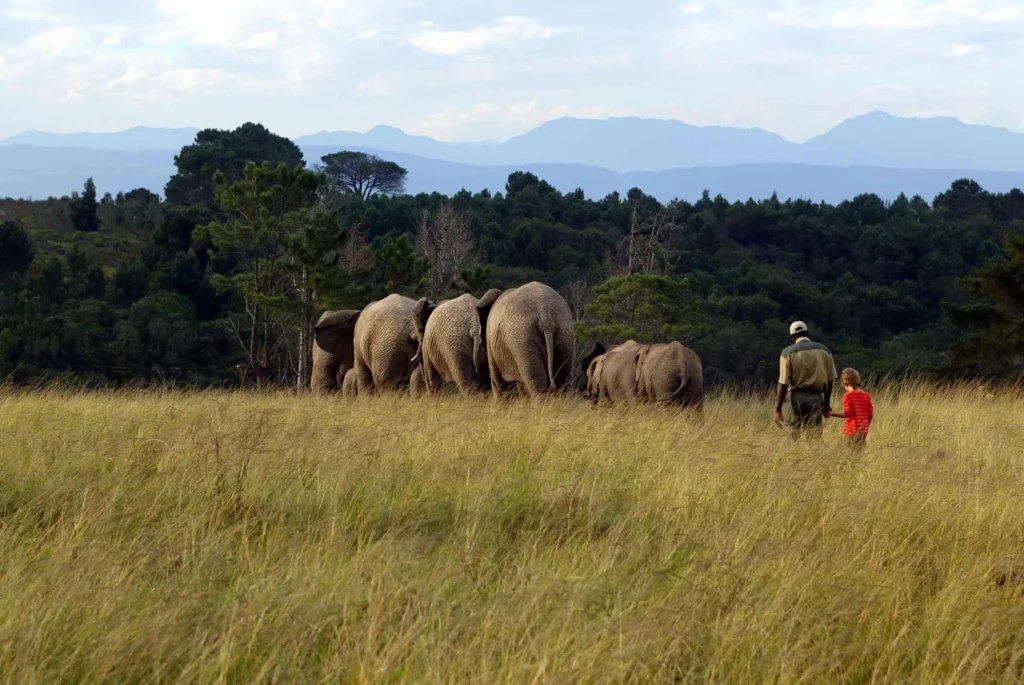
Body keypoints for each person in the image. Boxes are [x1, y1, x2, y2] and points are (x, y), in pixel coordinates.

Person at [774, 321, 838, 440]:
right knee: (814, 438)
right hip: (816, 397)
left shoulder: (787, 352)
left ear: (793, 337)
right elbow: (830, 381)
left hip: (794, 398)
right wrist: (826, 404)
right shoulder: (825, 350)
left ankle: (790, 458)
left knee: (792, 436)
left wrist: (778, 409)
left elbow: (783, 384)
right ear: (807, 333)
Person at [828, 368, 874, 450]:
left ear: (845, 382)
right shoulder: (866, 395)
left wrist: (831, 413)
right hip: (863, 431)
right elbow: (870, 414)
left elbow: (847, 414)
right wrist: (866, 427)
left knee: (848, 453)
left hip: (851, 431)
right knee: (859, 454)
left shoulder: (848, 396)